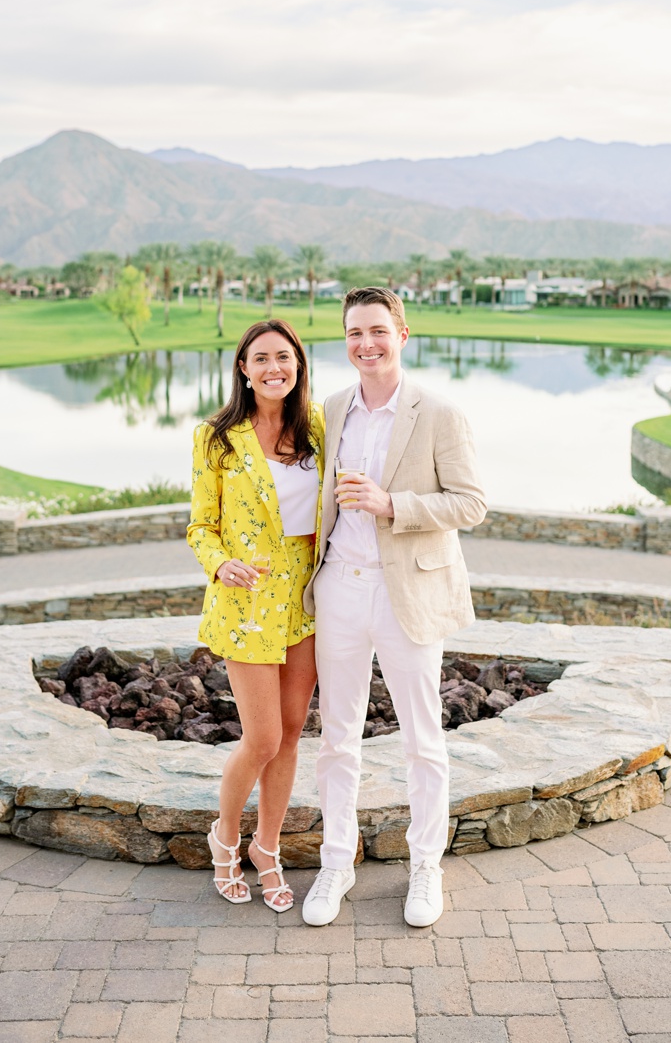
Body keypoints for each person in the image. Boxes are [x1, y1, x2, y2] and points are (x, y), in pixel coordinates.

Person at [299, 286, 487, 928]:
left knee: (421, 738)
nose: (366, 344)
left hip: (407, 589)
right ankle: (335, 863)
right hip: (341, 589)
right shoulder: (329, 409)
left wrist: (392, 506)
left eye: (377, 330)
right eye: (354, 333)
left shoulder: (437, 412)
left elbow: (470, 504)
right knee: (336, 740)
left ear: (402, 334)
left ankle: (425, 866)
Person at [186, 319, 324, 913]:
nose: (275, 368)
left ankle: (267, 847)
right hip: (245, 603)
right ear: (243, 367)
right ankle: (226, 838)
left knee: (292, 733)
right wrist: (220, 565)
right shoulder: (216, 437)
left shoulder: (318, 426)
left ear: (298, 365)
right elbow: (199, 526)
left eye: (284, 358)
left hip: (307, 599)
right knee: (262, 736)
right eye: (261, 358)